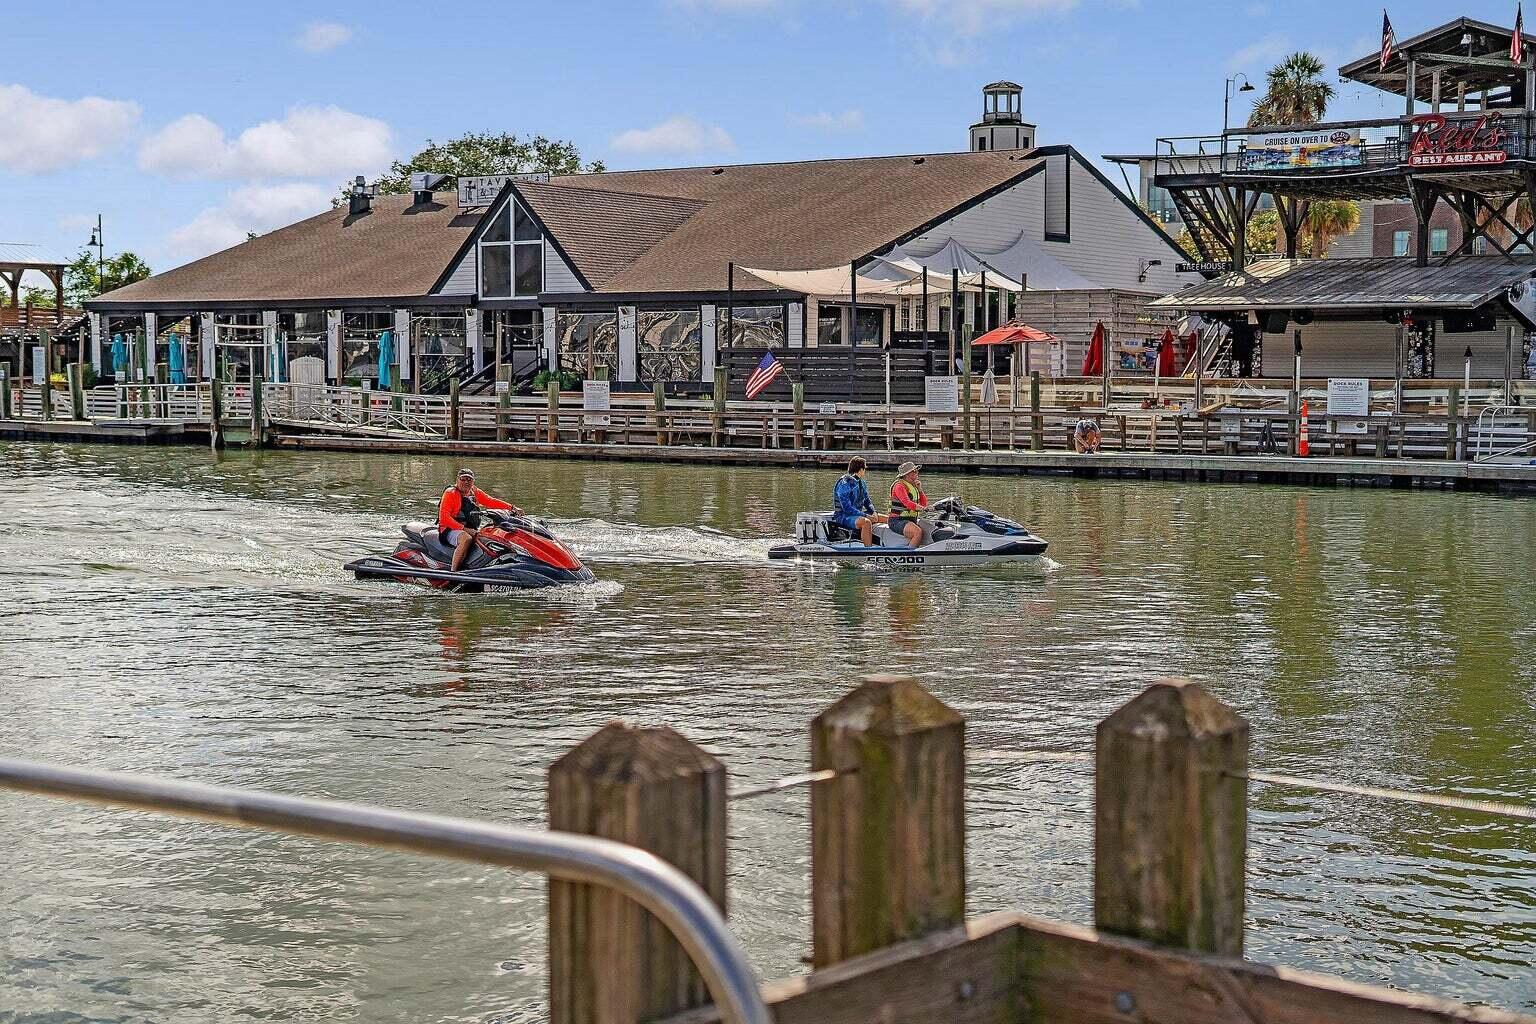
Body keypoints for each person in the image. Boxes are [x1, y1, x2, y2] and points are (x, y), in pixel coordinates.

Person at [438, 468, 523, 571]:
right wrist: (465, 529)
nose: (466, 482)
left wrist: (512, 508)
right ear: (457, 480)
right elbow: (444, 519)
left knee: (490, 534)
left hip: (469, 529)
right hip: (449, 529)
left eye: (469, 480)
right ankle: (453, 572)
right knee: (466, 539)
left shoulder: (473, 491)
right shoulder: (450, 493)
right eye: (463, 479)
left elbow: (490, 501)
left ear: (473, 481)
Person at [833, 456, 885, 545]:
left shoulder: (862, 483)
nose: (865, 471)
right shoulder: (844, 483)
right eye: (865, 469)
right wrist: (866, 515)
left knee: (886, 519)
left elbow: (867, 501)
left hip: (857, 514)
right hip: (843, 516)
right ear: (861, 469)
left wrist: (873, 512)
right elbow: (847, 508)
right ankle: (868, 550)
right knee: (866, 522)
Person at [888, 462, 928, 548]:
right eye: (914, 471)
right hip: (897, 520)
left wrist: (920, 490)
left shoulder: (913, 485)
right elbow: (907, 503)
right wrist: (923, 509)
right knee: (917, 532)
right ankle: (910, 555)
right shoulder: (899, 486)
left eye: (916, 471)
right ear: (906, 475)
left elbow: (924, 503)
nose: (917, 473)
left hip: (910, 519)